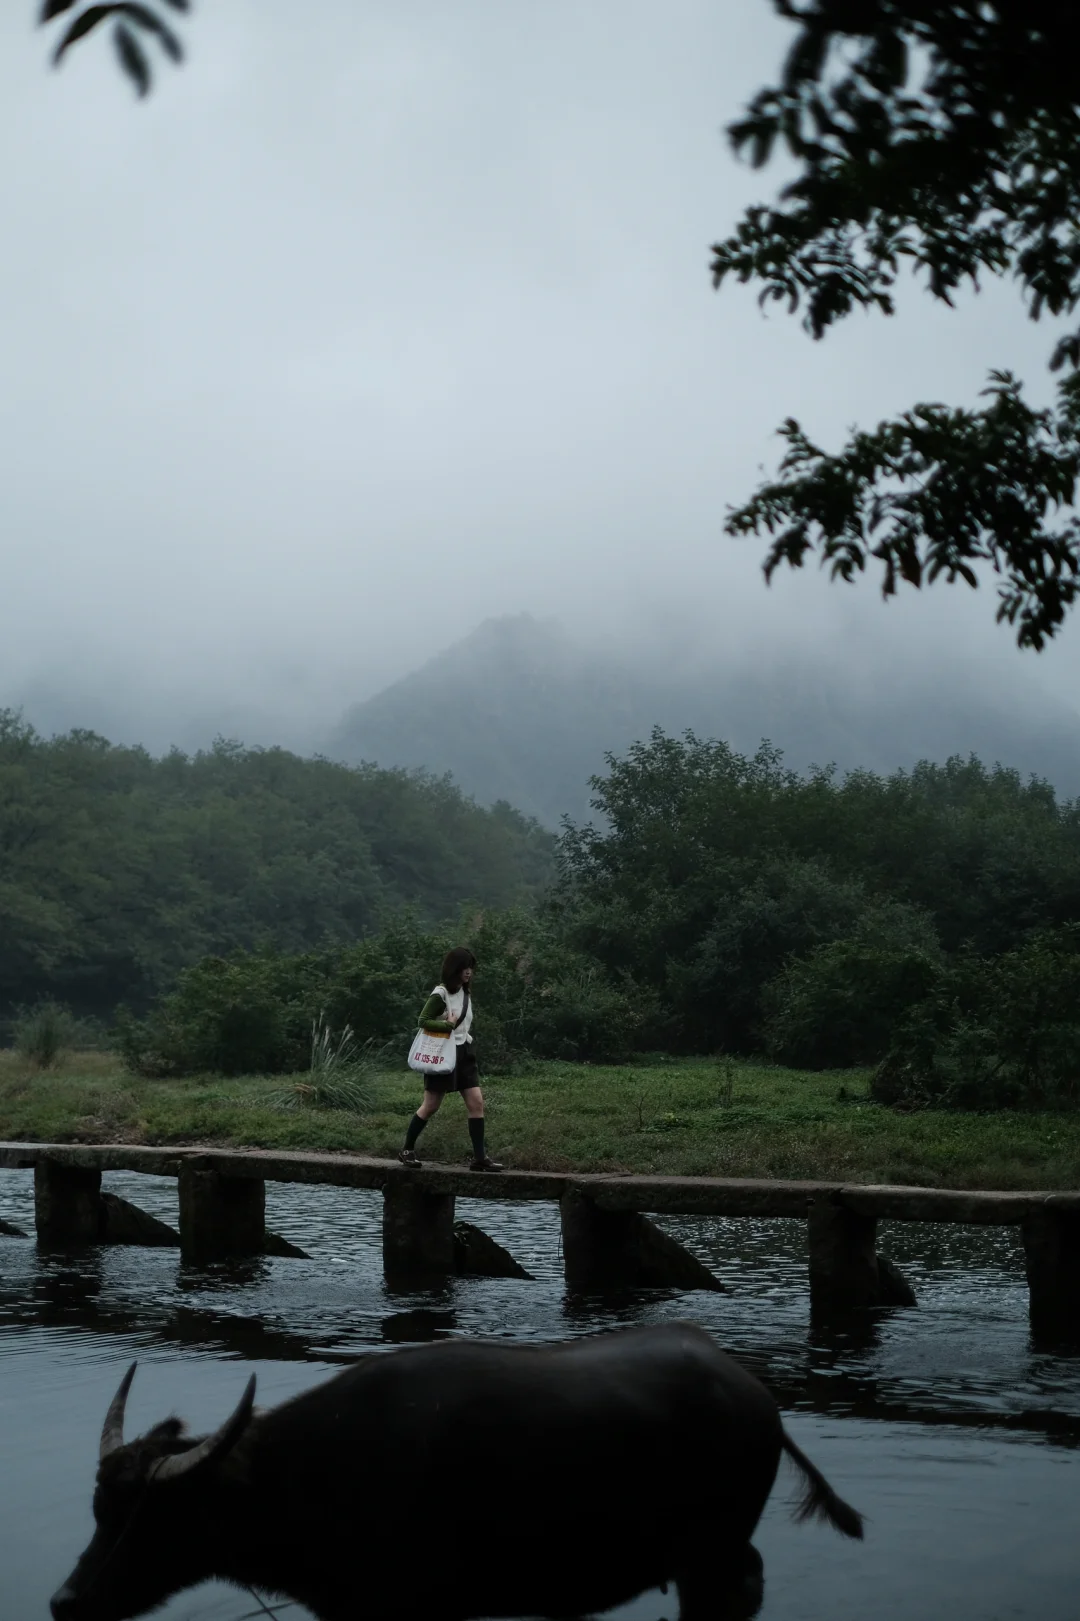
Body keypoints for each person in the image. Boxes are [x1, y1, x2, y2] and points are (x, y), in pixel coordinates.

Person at [399, 946, 503, 1172]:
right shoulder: (440, 993)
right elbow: (423, 1020)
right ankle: (407, 1150)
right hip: (443, 1054)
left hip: (464, 1052)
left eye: (471, 968)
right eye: (465, 967)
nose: (469, 972)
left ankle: (480, 1158)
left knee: (476, 1103)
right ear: (454, 969)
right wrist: (447, 1025)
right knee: (431, 1105)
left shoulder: (465, 992)